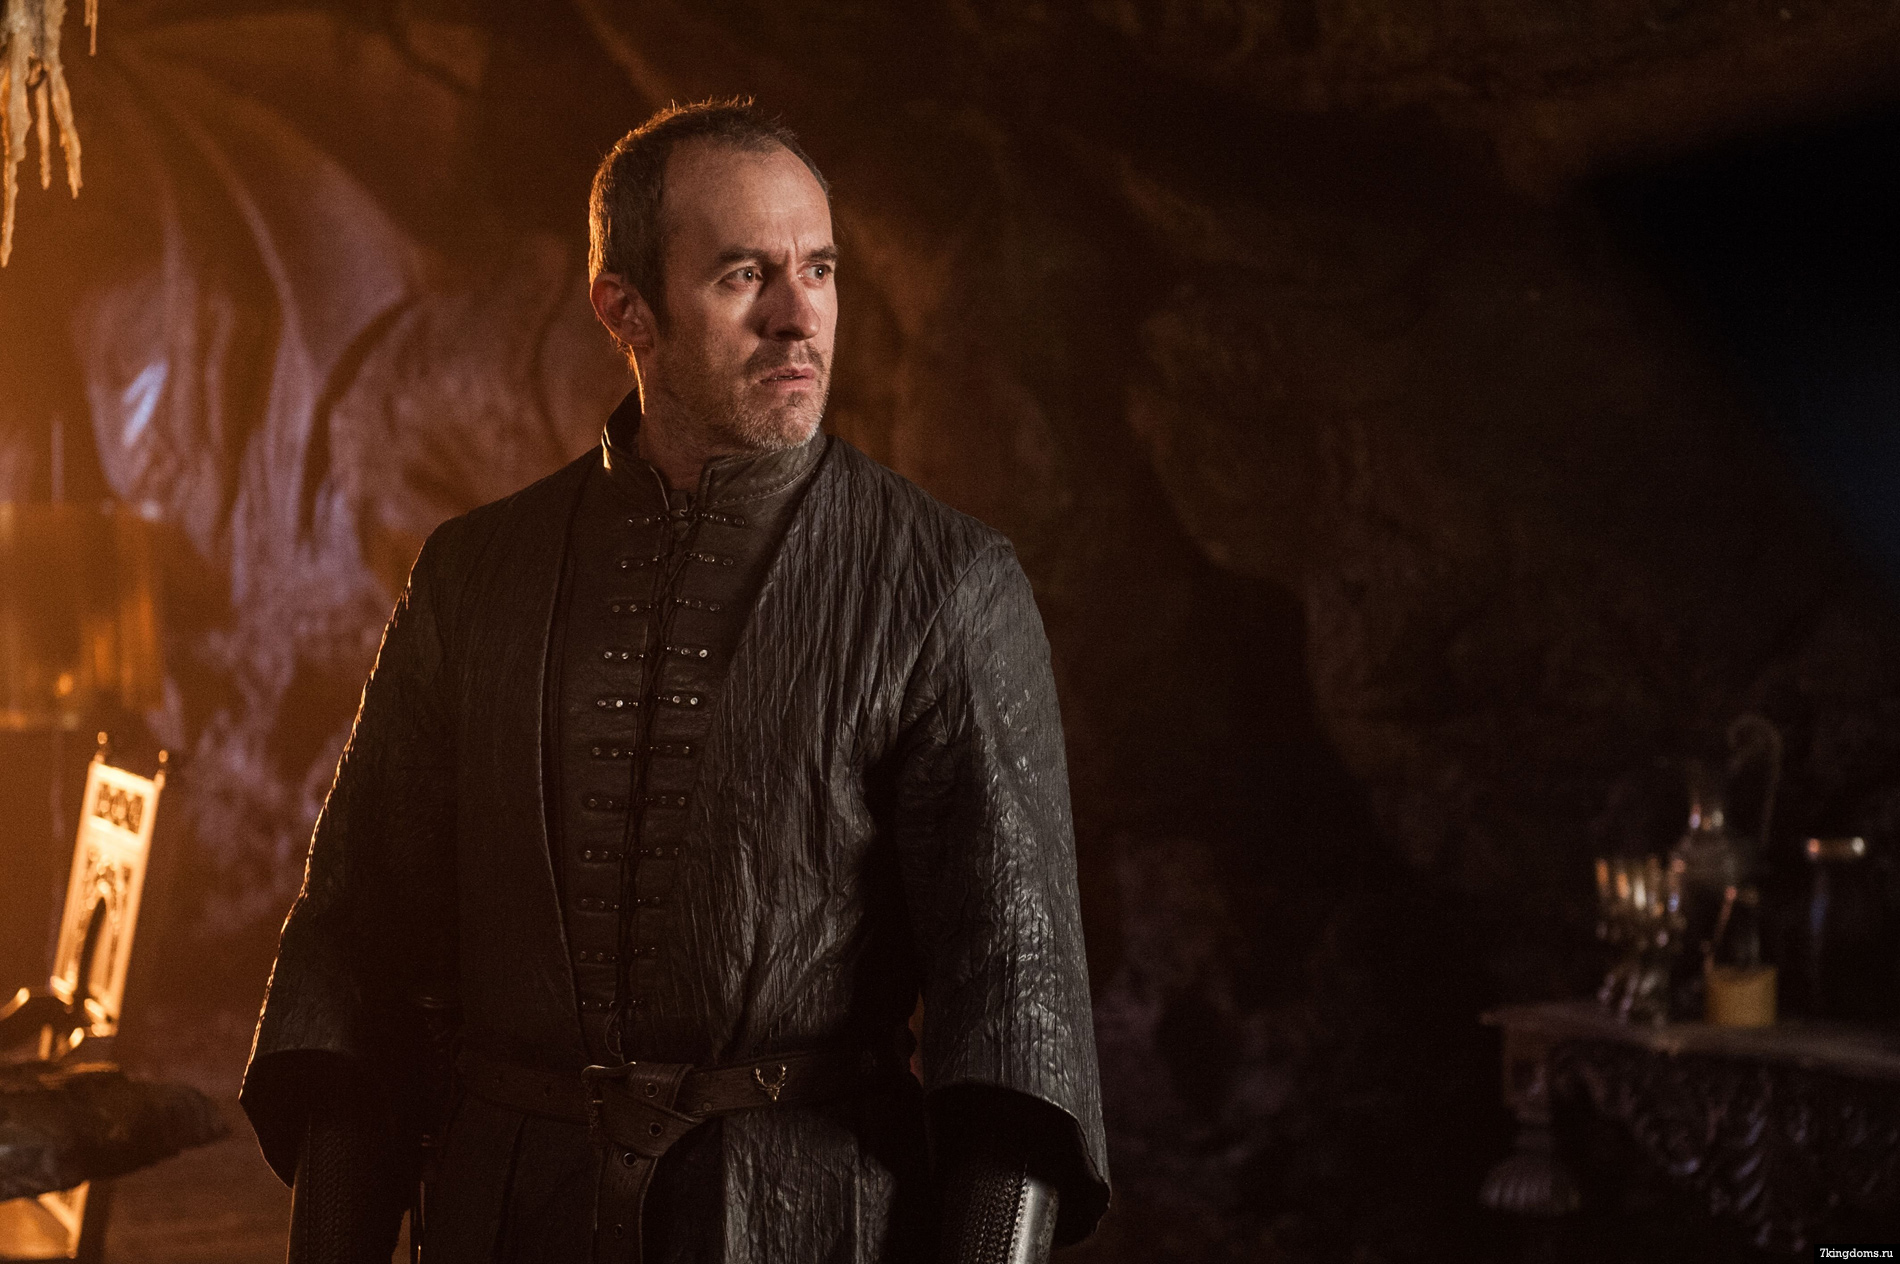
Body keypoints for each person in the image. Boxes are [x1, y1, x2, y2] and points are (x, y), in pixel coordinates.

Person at [241, 98, 1109, 1264]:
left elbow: (1016, 1020)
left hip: (806, 1222)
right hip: (507, 1222)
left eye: (819, 268)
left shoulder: (943, 585)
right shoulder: (476, 574)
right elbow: (359, 960)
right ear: (625, 309)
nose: (798, 316)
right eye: (744, 274)